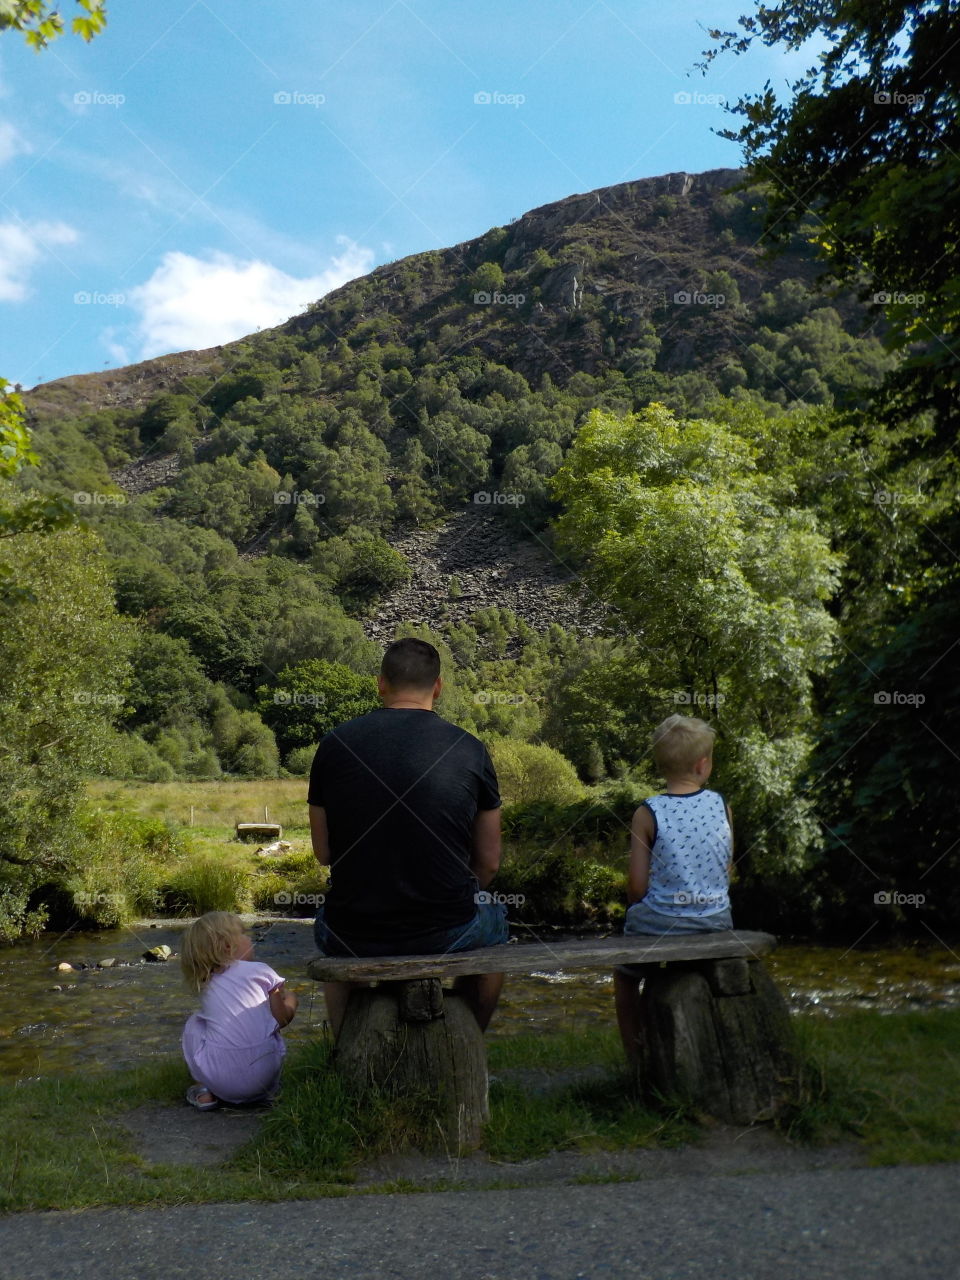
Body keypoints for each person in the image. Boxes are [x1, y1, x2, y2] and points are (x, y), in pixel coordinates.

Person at [308, 637, 508, 1037]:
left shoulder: (333, 745)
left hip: (351, 929)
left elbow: (324, 853)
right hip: (446, 927)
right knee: (497, 933)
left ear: (381, 684)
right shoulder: (471, 749)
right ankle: (462, 1039)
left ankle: (347, 1051)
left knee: (336, 948)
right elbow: (488, 862)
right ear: (438, 687)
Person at [613, 714, 734, 1067]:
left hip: (660, 920)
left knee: (624, 977)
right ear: (703, 764)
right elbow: (725, 869)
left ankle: (637, 1061)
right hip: (716, 918)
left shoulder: (647, 812)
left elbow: (636, 887)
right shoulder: (721, 805)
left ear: (661, 764)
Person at [180, 910, 298, 1110]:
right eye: (244, 933)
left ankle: (204, 1090)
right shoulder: (262, 972)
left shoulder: (206, 981)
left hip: (223, 1085)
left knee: (194, 1024)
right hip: (264, 1081)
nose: (250, 938)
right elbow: (283, 1019)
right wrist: (292, 1001)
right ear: (228, 945)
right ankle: (269, 1091)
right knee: (266, 1017)